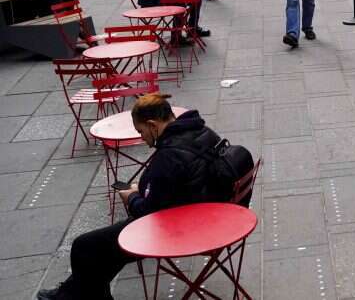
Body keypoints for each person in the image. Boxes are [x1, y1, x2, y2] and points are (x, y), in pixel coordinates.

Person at [36, 94, 224, 300]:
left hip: (179, 229)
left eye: (141, 131)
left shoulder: (169, 155)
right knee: (103, 251)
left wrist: (132, 196)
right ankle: (70, 293)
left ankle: (71, 294)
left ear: (153, 125)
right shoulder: (202, 131)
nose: (142, 138)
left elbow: (145, 214)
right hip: (203, 215)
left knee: (83, 246)